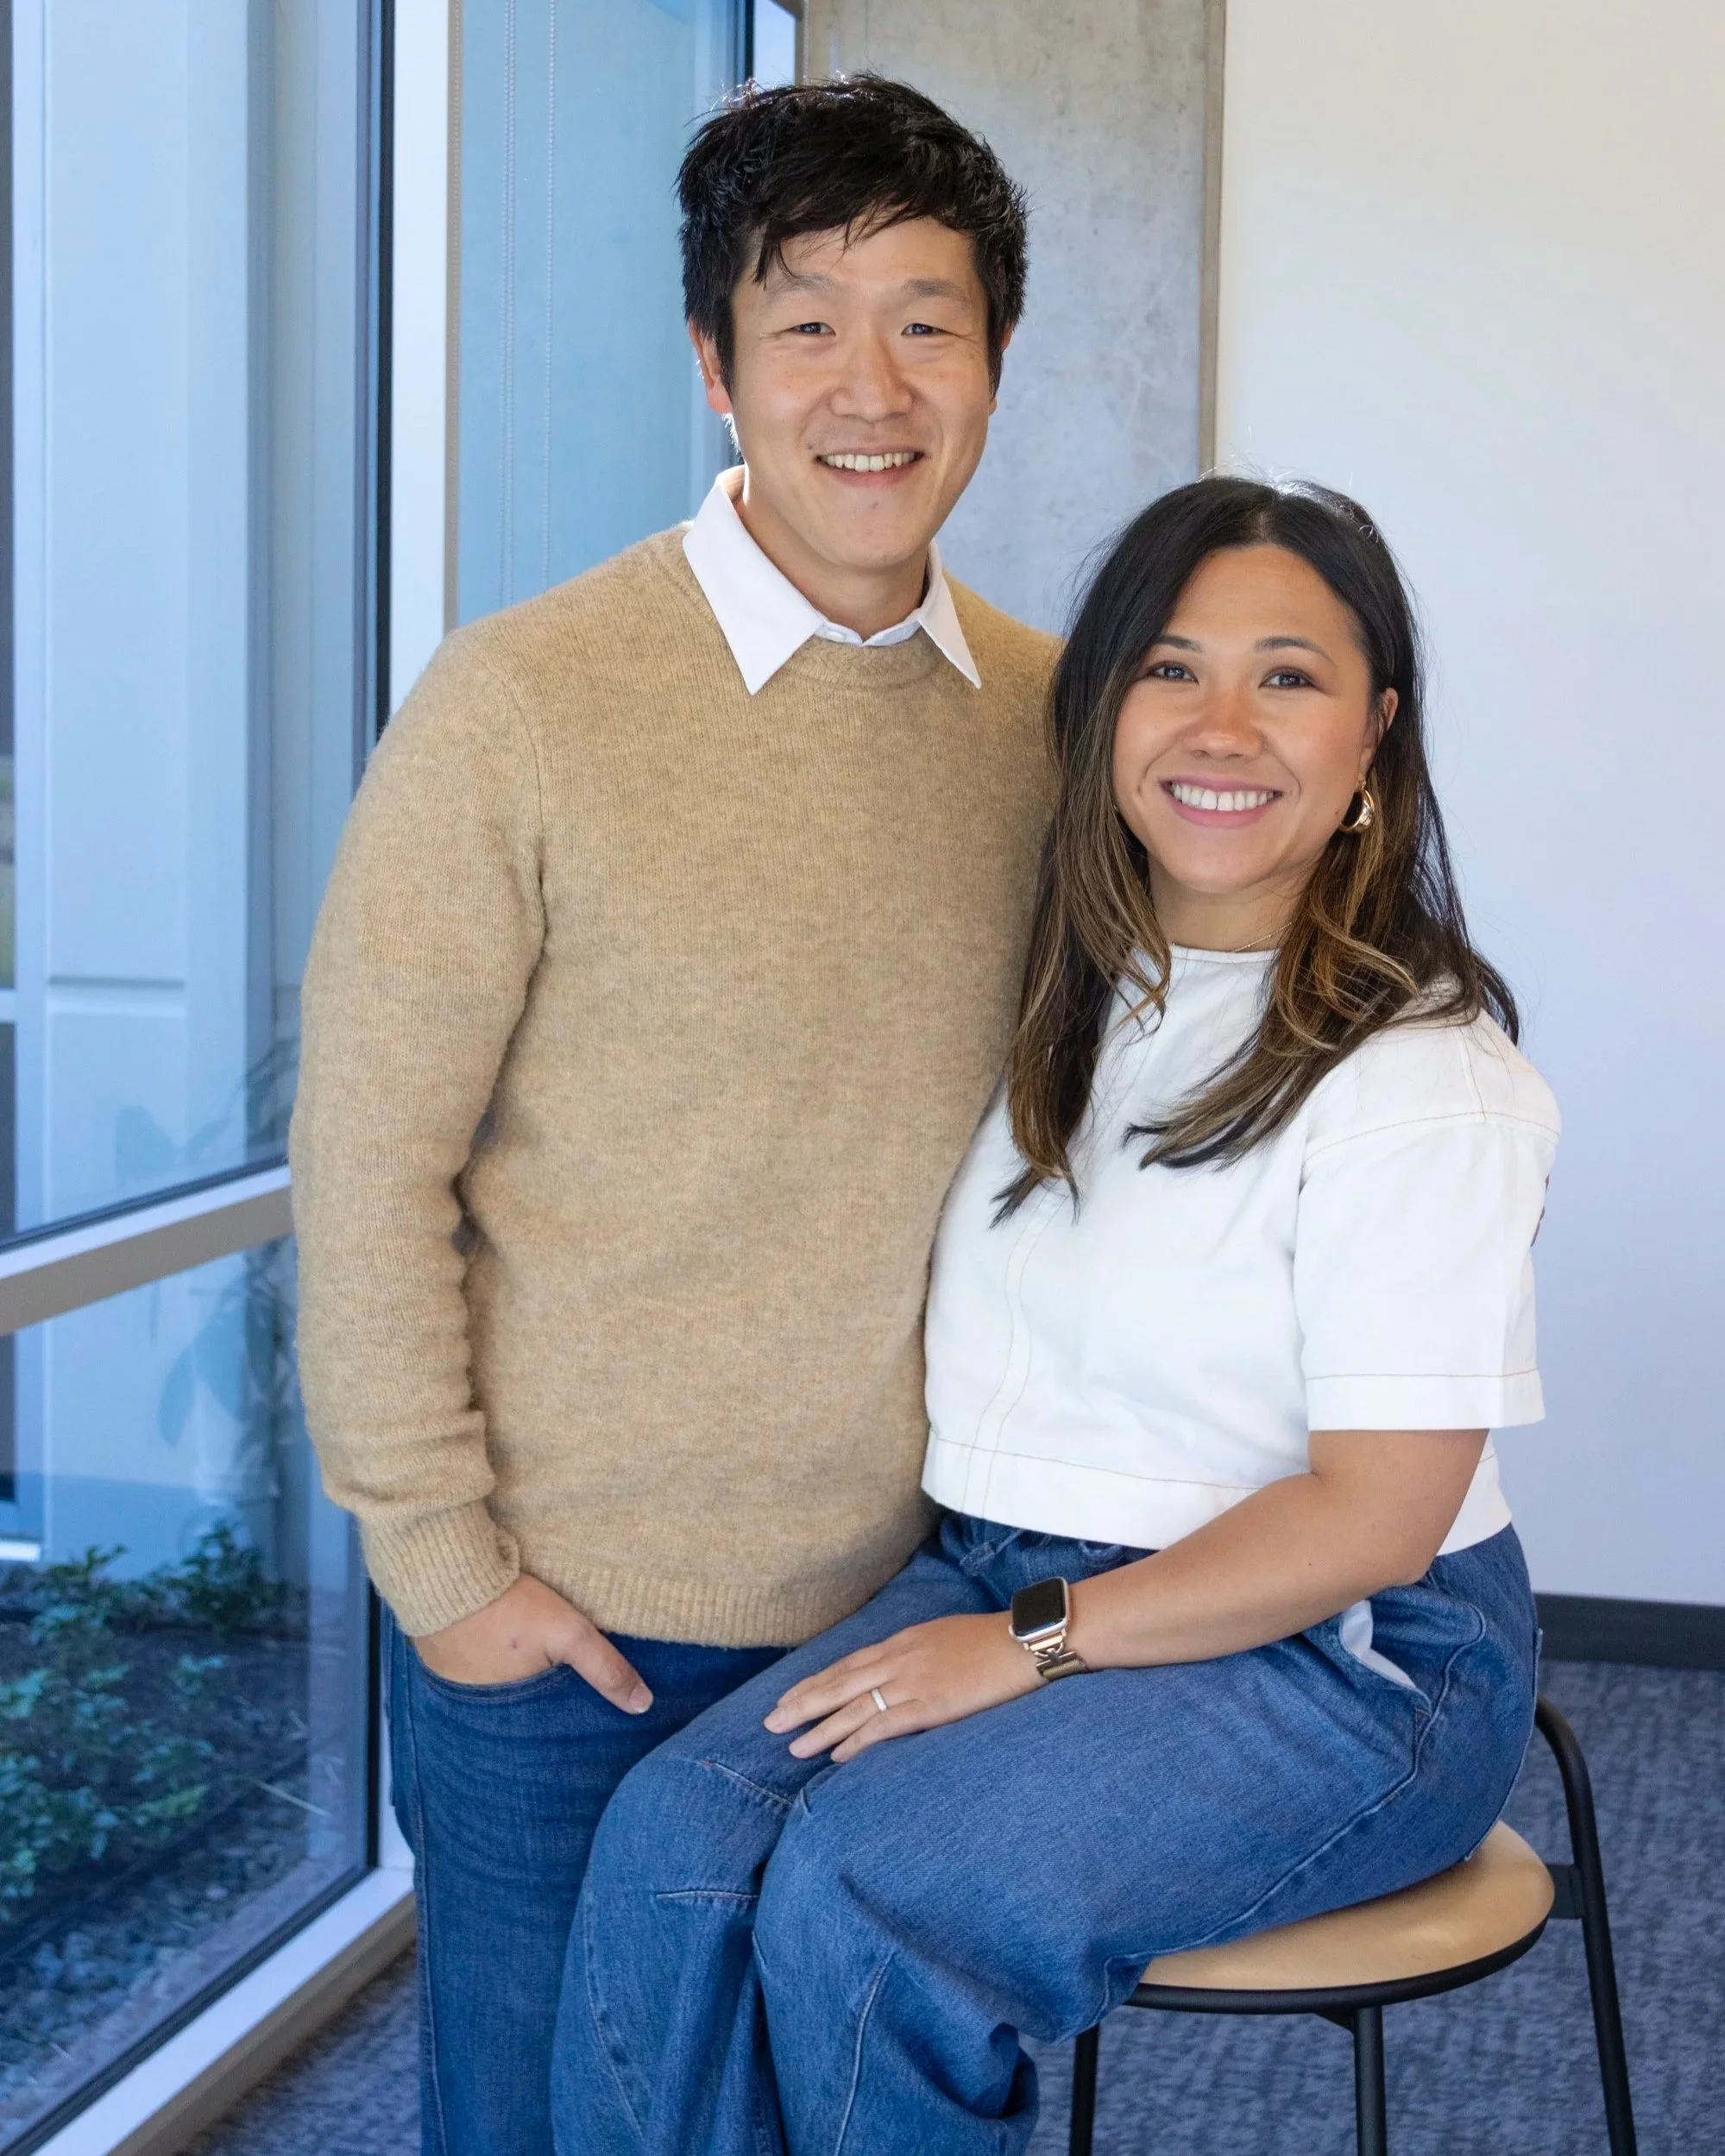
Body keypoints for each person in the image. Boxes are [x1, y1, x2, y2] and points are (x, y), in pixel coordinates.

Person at [556, 475, 1559, 2156]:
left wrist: (1029, 1648)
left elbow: (1378, 1519)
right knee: (673, 1841)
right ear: (1101, 713)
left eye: (1288, 676)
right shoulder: (1086, 994)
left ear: (1376, 734)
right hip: (1015, 1559)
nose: (1222, 724)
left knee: (876, 1899)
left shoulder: (1421, 1079)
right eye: (1171, 669)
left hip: (1350, 1656)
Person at [288, 79, 1056, 2156]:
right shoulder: (522, 701)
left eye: (928, 318)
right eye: (806, 322)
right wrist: (447, 1569)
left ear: (992, 367)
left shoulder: (1056, 727)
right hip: (576, 1632)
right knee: (548, 2126)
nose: (871, 383)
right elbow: (366, 1161)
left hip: (920, 1615)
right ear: (714, 370)